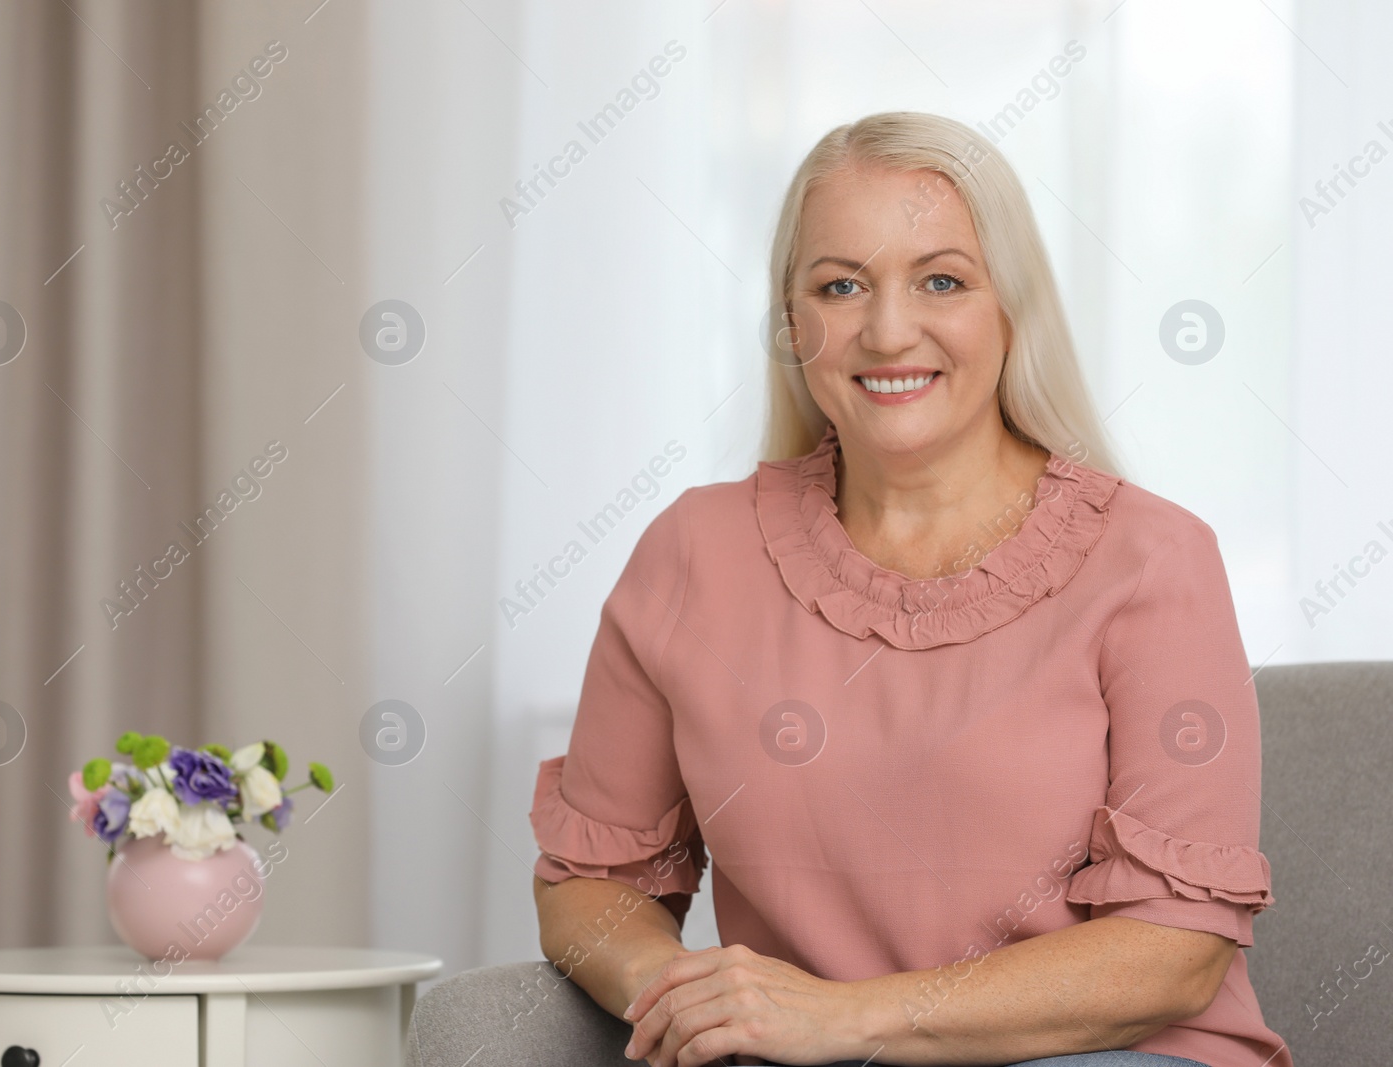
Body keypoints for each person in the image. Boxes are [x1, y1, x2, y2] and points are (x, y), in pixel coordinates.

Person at [529, 112, 1289, 1067]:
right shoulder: (693, 551)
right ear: (791, 320)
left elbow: (1175, 956)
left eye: (941, 280)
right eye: (841, 285)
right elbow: (592, 883)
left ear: (1012, 307)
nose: (888, 331)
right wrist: (686, 993)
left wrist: (848, 1018)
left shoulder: (1152, 558)